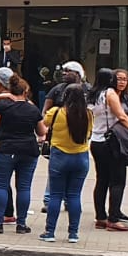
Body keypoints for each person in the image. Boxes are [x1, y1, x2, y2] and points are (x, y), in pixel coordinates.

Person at [0, 75, 41, 235]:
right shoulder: (33, 108)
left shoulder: (5, 106)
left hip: (7, 148)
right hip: (29, 149)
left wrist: (2, 95)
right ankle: (21, 224)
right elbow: (41, 130)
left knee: (1, 185)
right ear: (26, 91)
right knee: (24, 187)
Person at [87, 67, 128, 231]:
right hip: (110, 141)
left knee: (101, 179)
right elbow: (122, 116)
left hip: (96, 140)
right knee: (118, 180)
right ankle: (113, 219)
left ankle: (100, 217)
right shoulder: (110, 93)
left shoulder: (93, 94)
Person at [40, 83, 92, 243]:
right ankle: (73, 233)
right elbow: (89, 133)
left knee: (55, 195)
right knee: (74, 196)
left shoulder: (56, 112)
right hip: (81, 157)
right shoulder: (88, 114)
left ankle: (50, 232)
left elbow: (44, 123)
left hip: (59, 156)